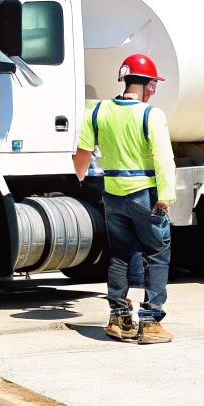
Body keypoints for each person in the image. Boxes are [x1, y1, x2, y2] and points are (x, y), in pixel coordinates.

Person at [73, 54, 177, 345]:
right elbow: (164, 159)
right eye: (153, 84)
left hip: (113, 195)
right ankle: (151, 323)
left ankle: (119, 319)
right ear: (148, 85)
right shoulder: (151, 115)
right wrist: (166, 197)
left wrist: (80, 180)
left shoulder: (97, 111)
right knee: (156, 254)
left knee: (119, 254)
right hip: (145, 195)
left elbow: (82, 155)